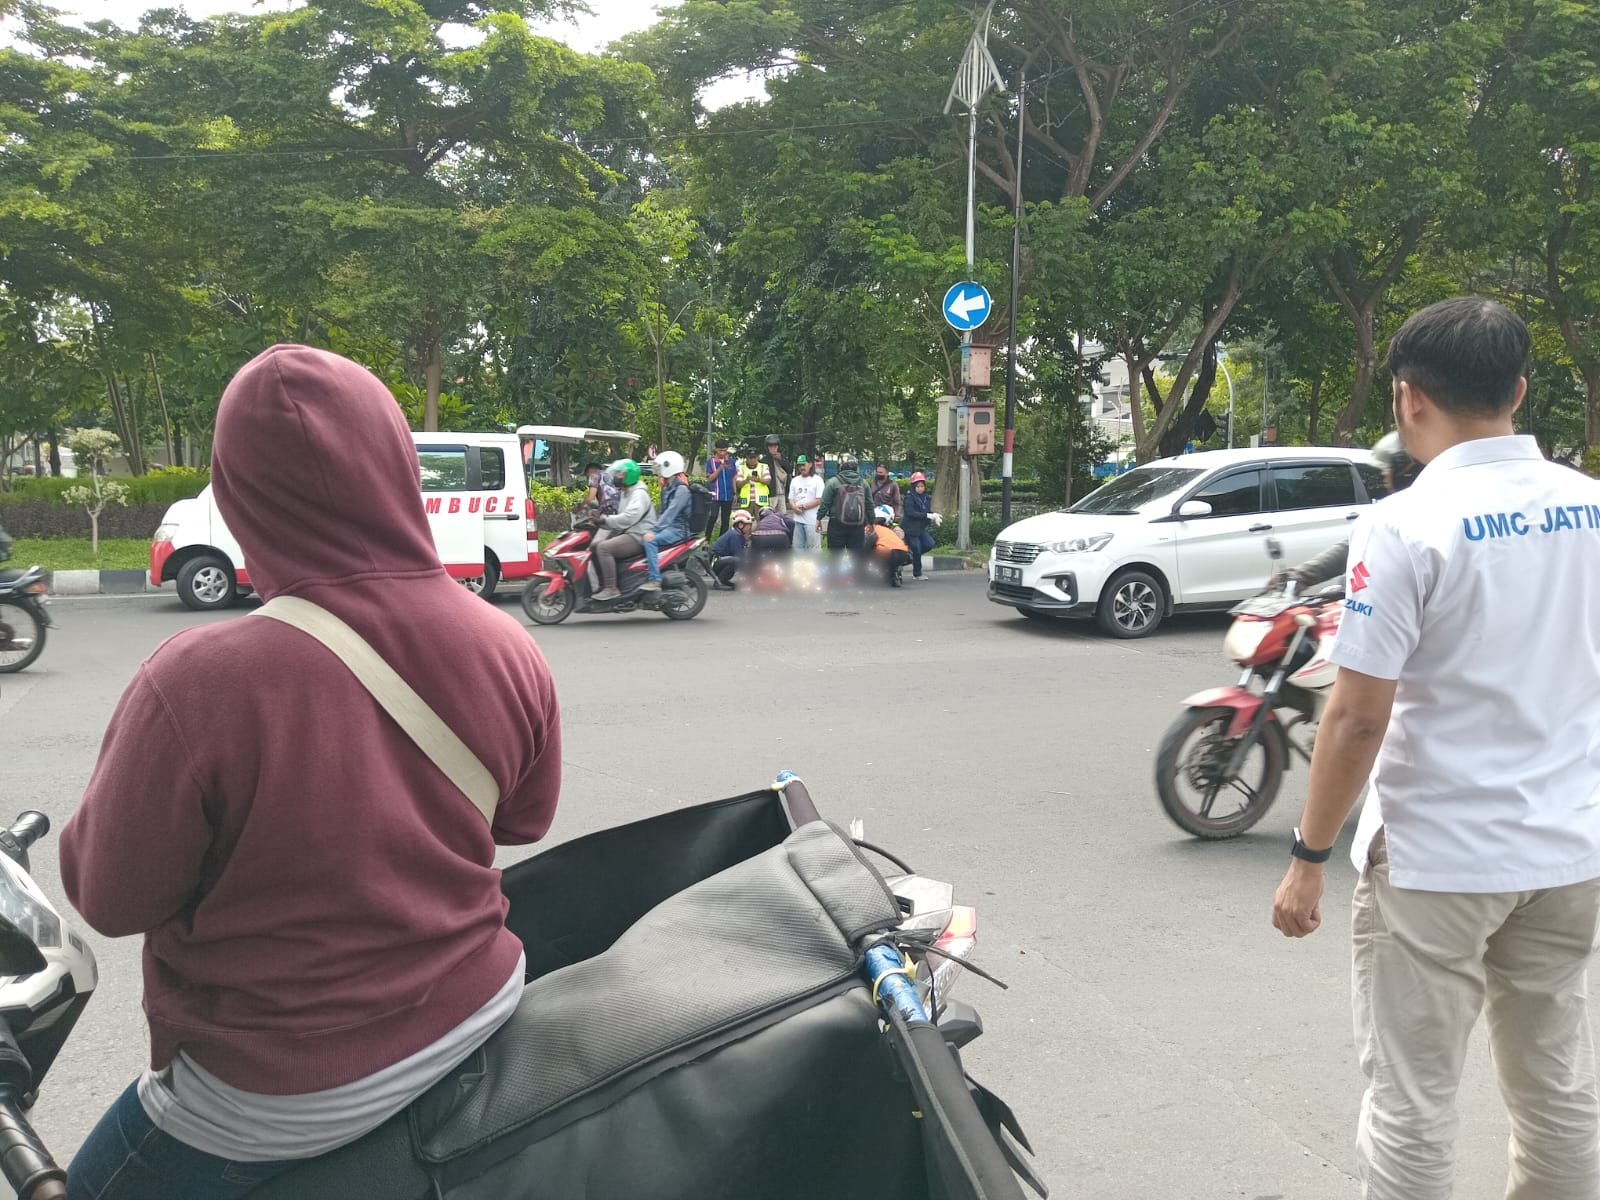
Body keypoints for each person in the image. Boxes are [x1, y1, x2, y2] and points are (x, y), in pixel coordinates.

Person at [58, 345, 562, 1200]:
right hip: (479, 1010)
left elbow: (111, 898)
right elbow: (522, 820)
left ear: (238, 491)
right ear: (397, 464)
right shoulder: (506, 641)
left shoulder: (199, 678)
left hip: (272, 1095)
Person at [1269, 298, 1600, 1200]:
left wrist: (1307, 856)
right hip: (1569, 854)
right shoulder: (1593, 509)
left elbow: (1356, 716)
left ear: (1409, 399)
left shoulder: (1408, 523)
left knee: (1413, 1099)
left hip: (1440, 858)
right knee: (1556, 1085)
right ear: (1519, 390)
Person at [1275, 433, 1419, 592]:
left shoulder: (1415, 517)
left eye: (1389, 467)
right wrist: (1299, 576)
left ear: (1406, 470)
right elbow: (1353, 545)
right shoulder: (1392, 512)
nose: (1384, 473)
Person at [592, 458, 656, 601]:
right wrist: (599, 518)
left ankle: (611, 588)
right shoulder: (626, 492)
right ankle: (601, 583)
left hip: (638, 535)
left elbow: (628, 518)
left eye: (619, 474)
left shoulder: (638, 494)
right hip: (629, 531)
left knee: (603, 548)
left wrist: (606, 520)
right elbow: (619, 515)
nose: (616, 477)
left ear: (629, 475)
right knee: (595, 544)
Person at [642, 451, 692, 592]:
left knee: (650, 540)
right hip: (668, 528)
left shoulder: (681, 490)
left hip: (677, 530)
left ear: (669, 467)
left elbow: (670, 514)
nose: (658, 471)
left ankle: (655, 580)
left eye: (660, 467)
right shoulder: (668, 487)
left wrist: (654, 531)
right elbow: (663, 513)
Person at [818, 453, 874, 558]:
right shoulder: (863, 483)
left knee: (835, 558)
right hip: (858, 526)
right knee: (857, 559)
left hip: (836, 525)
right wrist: (871, 521)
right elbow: (870, 504)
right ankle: (857, 574)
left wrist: (819, 518)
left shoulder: (832, 482)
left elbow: (825, 503)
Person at [900, 472, 939, 581]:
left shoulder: (926, 498)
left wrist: (933, 516)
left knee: (929, 544)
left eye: (922, 486)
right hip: (910, 529)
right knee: (916, 548)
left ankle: (910, 556)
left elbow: (927, 511)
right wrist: (927, 515)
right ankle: (917, 573)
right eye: (918, 486)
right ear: (913, 486)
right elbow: (911, 512)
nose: (920, 488)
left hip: (920, 529)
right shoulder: (909, 498)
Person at [787, 455, 824, 551]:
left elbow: (819, 499)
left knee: (814, 549)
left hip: (812, 521)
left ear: (810, 464)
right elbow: (791, 498)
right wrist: (794, 507)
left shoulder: (817, 480)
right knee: (798, 549)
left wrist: (804, 507)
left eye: (803, 465)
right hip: (798, 520)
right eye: (799, 465)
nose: (801, 468)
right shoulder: (795, 480)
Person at [868, 506, 911, 587]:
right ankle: (893, 574)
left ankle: (863, 575)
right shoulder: (892, 530)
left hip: (888, 553)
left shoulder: (873, 529)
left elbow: (867, 544)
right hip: (905, 554)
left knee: (865, 551)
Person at [709, 508, 752, 589]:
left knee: (737, 561)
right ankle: (720, 581)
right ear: (740, 525)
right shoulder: (734, 535)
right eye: (748, 525)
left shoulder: (737, 534)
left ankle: (723, 580)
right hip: (715, 562)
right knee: (736, 561)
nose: (750, 527)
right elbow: (739, 555)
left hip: (719, 561)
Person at [705, 439, 738, 539]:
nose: (723, 453)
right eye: (720, 451)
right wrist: (720, 468)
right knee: (713, 516)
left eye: (725, 450)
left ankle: (721, 541)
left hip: (728, 494)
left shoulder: (731, 461)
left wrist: (735, 492)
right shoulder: (711, 462)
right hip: (716, 494)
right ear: (716, 449)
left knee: (726, 520)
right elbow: (710, 478)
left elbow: (733, 477)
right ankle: (706, 539)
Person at [736, 448, 770, 516]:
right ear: (746, 458)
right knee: (745, 522)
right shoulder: (741, 468)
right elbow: (738, 484)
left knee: (762, 523)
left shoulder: (764, 467)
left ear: (758, 457)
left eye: (754, 457)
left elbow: (768, 481)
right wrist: (746, 480)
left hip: (761, 500)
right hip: (746, 501)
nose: (752, 460)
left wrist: (758, 480)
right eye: (750, 458)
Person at [763, 434, 790, 514]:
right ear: (767, 447)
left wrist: (781, 460)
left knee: (783, 516)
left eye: (775, 445)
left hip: (782, 492)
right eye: (770, 446)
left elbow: (790, 470)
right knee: (770, 515)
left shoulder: (783, 458)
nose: (773, 448)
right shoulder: (764, 461)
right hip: (771, 493)